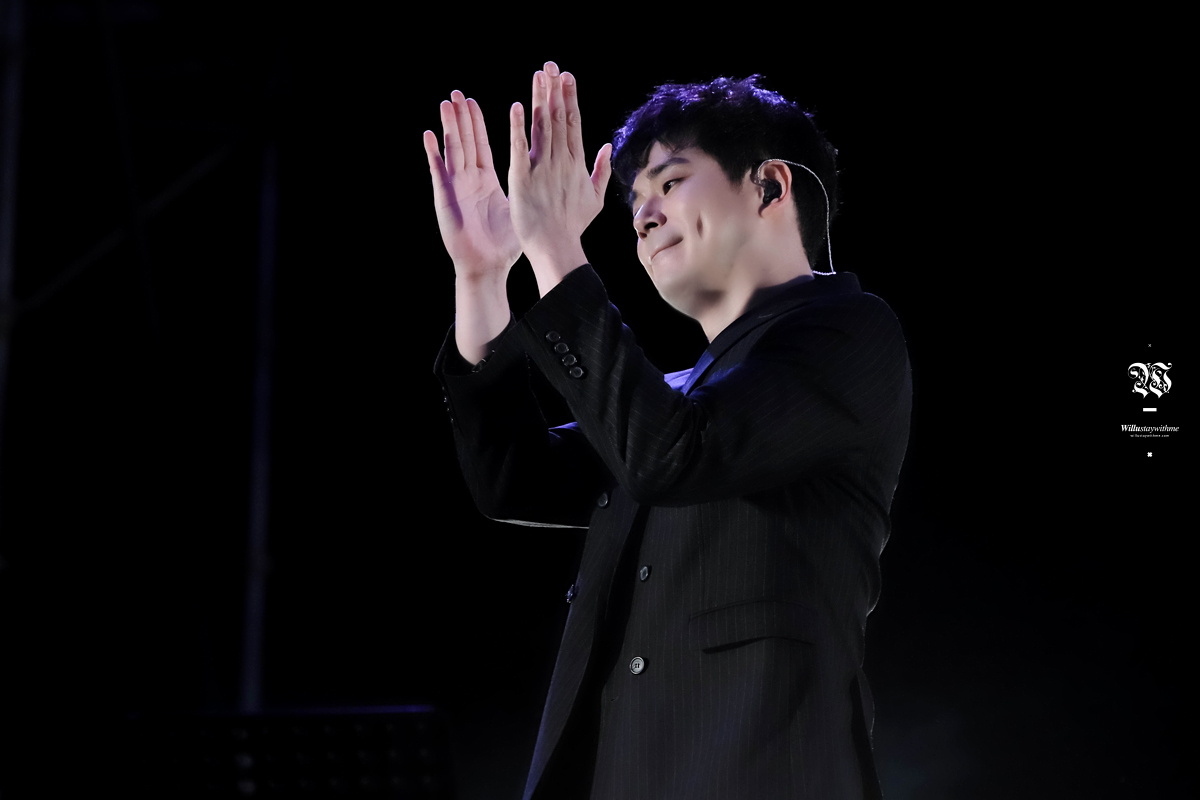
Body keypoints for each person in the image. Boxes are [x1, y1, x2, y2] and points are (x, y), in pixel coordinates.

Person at [425, 62, 911, 800]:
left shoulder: (849, 333)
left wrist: (556, 249)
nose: (642, 216)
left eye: (670, 181)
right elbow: (514, 479)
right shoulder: (674, 398)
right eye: (634, 201)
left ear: (770, 185)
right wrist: (483, 278)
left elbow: (670, 456)